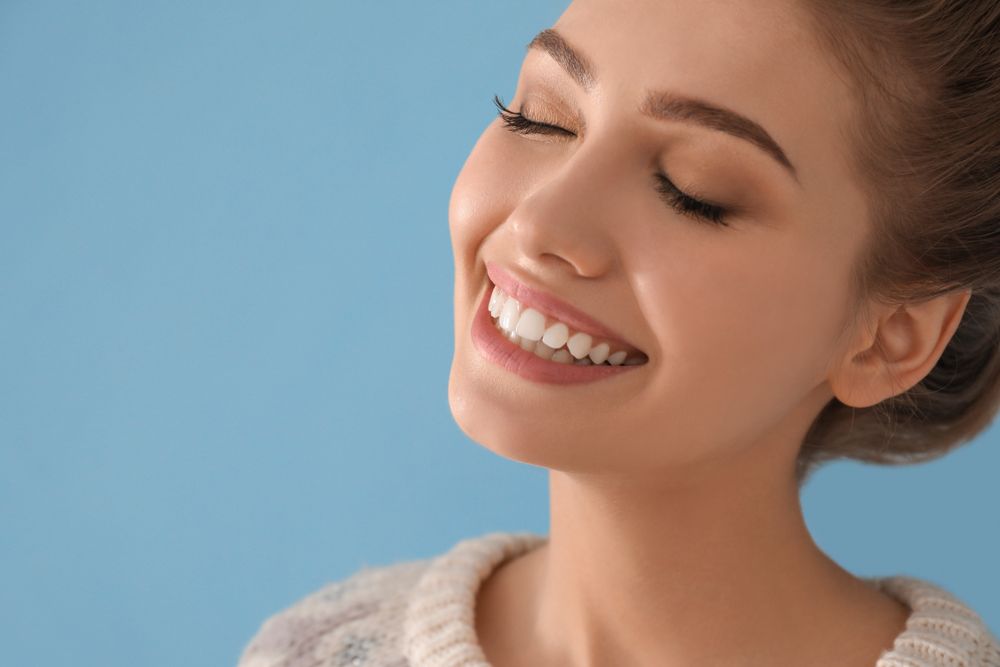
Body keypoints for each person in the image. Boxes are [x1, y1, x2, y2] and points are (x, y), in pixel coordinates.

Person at [238, 0, 1000, 665]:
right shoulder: (314, 650)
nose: (539, 221)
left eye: (691, 192)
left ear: (890, 338)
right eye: (539, 116)